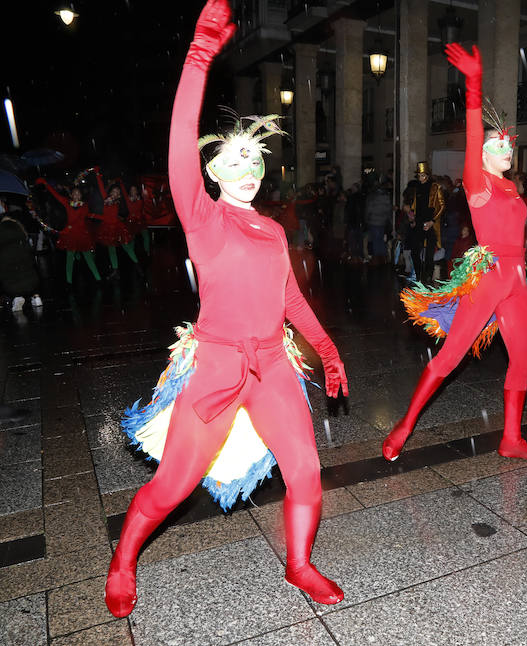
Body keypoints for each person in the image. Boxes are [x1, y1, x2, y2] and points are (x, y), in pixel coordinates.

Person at [104, 0, 349, 618]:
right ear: (212, 172)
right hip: (216, 369)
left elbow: (288, 297)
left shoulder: (272, 229)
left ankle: (299, 564)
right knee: (170, 489)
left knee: (306, 473)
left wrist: (327, 350)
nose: (247, 172)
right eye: (233, 163)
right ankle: (124, 560)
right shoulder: (203, 218)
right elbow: (177, 146)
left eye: (255, 161)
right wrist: (199, 57)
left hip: (273, 368)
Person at [383, 42, 527, 464]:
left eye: (509, 146)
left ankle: (511, 439)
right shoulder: (479, 182)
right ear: (483, 155)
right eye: (499, 146)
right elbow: (475, 136)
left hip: (517, 280)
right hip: (490, 275)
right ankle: (404, 426)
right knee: (451, 356)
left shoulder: (511, 186)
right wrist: (473, 84)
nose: (507, 151)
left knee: (524, 358)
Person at [34, 180, 102, 283]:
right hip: (70, 235)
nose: (76, 195)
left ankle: (98, 278)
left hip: (81, 235)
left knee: (88, 258)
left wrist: (69, 227)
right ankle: (69, 281)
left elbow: (80, 220)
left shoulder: (84, 206)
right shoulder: (67, 202)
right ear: (71, 195)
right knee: (70, 259)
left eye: (78, 193)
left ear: (81, 195)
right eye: (74, 193)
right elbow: (56, 195)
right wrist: (46, 184)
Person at [94, 168, 140, 275]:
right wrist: (97, 174)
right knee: (111, 249)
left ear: (119, 195)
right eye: (113, 191)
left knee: (126, 246)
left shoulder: (118, 202)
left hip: (117, 227)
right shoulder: (106, 199)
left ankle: (137, 265)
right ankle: (115, 270)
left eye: (117, 192)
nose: (115, 193)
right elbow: (101, 187)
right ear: (110, 192)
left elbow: (120, 212)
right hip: (107, 228)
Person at [408, 161, 445, 285]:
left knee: (429, 253)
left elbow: (442, 206)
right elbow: (414, 206)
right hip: (419, 223)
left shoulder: (435, 187)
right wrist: (412, 218)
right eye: (419, 176)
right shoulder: (417, 188)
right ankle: (419, 275)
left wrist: (432, 221)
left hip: (431, 223)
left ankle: (428, 276)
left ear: (427, 175)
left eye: (423, 175)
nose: (421, 178)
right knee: (414, 250)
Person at [0, 210, 42, 311]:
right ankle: (36, 297)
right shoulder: (21, 233)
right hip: (31, 282)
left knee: (11, 276)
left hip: (12, 283)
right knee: (29, 271)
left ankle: (17, 297)